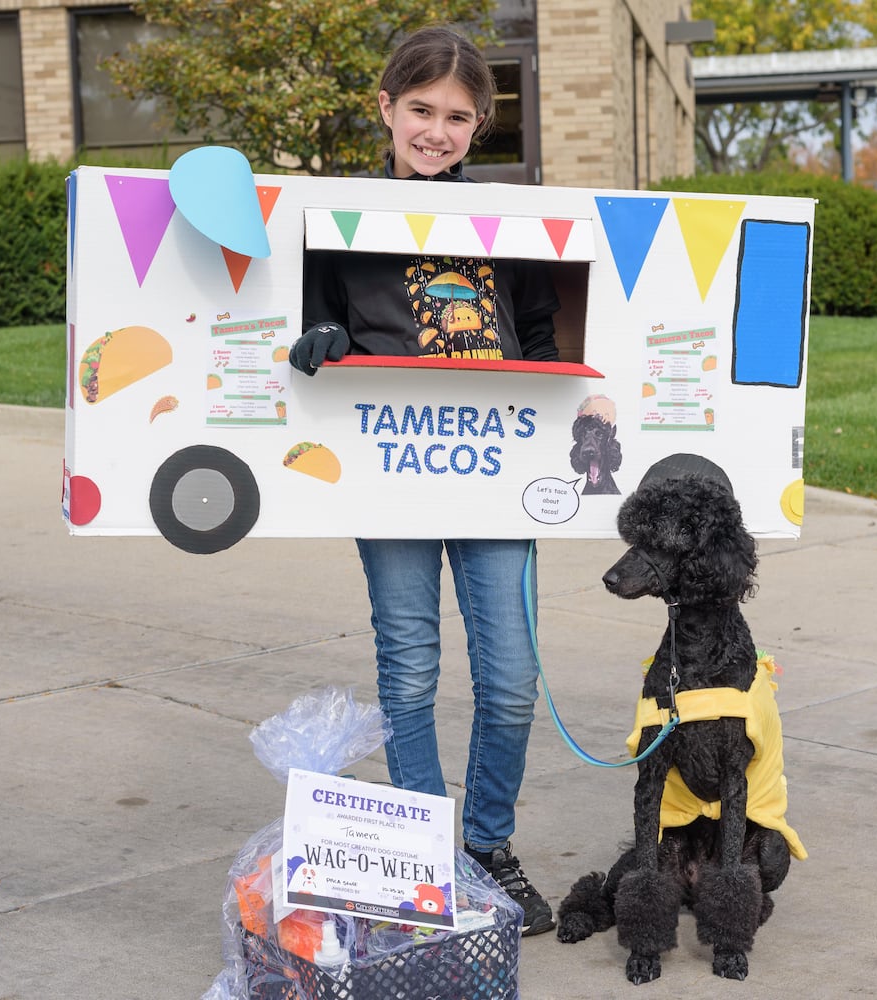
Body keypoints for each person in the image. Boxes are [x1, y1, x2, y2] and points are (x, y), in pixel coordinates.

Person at [291, 25, 559, 936]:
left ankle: (486, 848)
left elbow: (543, 337)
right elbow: (307, 329)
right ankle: (426, 863)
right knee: (409, 671)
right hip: (392, 471)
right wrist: (316, 345)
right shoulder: (333, 218)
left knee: (512, 680)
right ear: (386, 109)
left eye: (456, 116)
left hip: (493, 473)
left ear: (479, 125)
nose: (436, 131)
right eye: (420, 111)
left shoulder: (511, 224)